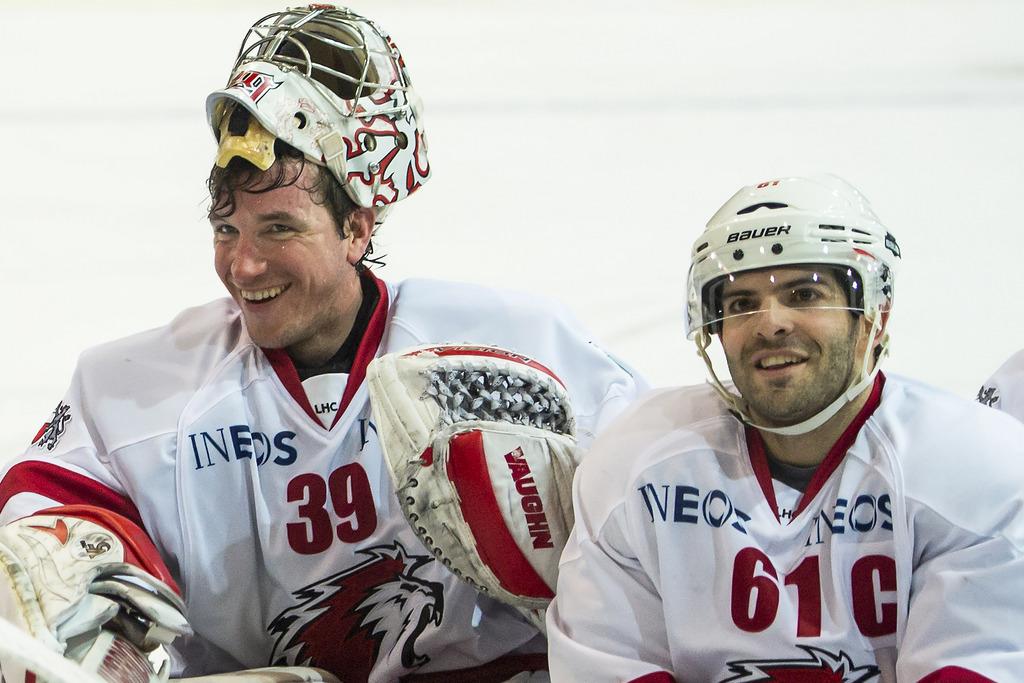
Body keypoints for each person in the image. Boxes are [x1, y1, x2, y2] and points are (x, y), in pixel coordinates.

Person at [0, 5, 643, 682]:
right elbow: (43, 530)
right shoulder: (136, 388)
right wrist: (77, 559)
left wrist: (579, 537)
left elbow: (663, 506)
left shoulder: (514, 346)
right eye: (226, 228)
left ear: (357, 228)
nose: (243, 266)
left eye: (278, 229)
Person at [546, 174, 1024, 682]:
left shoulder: (975, 464)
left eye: (803, 293)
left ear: (874, 317)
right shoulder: (635, 461)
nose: (768, 323)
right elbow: (610, 664)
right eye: (741, 304)